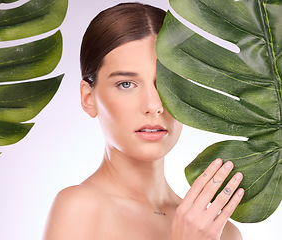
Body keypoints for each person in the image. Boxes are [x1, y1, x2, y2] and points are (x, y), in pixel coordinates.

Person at [43, 3, 244, 239]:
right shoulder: (80, 208)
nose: (154, 106)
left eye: (167, 83)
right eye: (126, 84)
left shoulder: (219, 230)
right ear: (89, 99)